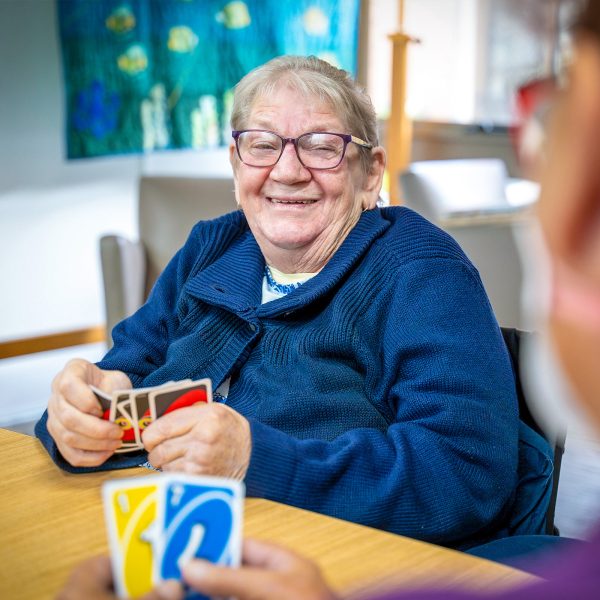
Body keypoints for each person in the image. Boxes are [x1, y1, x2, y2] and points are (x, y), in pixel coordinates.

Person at [36, 55, 531, 550]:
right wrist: (81, 412)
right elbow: (126, 369)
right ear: (236, 165)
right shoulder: (211, 247)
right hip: (160, 540)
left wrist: (256, 462)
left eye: (321, 147)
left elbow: (465, 472)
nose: (288, 171)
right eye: (262, 145)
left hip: (326, 565)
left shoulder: (420, 272)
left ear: (370, 173)